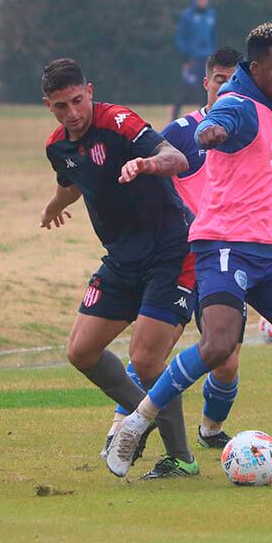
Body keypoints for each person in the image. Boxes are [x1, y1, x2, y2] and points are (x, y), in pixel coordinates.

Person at [106, 23, 272, 481]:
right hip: (222, 247)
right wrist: (210, 133)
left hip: (266, 255)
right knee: (218, 346)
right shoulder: (237, 103)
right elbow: (219, 124)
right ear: (253, 68)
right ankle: (135, 423)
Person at [39, 58, 202, 479]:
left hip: (171, 251)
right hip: (122, 261)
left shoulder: (119, 122)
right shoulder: (58, 145)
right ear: (49, 106)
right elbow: (72, 182)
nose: (72, 112)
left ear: (89, 91)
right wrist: (53, 207)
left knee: (146, 361)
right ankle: (139, 418)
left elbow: (176, 158)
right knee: (81, 351)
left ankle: (180, 458)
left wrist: (146, 164)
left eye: (77, 100)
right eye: (61, 106)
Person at [171, 0, 216, 121]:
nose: (203, 2)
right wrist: (186, 56)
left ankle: (205, 118)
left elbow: (213, 36)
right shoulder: (187, 15)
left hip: (206, 59)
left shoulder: (211, 15)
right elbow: (180, 37)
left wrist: (212, 54)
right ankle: (174, 114)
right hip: (192, 59)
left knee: (206, 89)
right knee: (187, 88)